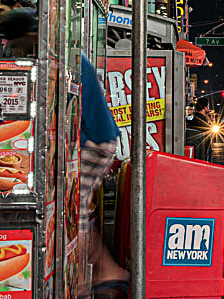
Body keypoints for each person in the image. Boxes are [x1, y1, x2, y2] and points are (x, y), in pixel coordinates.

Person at [79, 54, 127, 298]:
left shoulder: (64, 59)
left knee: (72, 215)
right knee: (78, 214)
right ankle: (104, 271)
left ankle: (81, 281)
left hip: (95, 140)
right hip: (97, 138)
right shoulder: (74, 59)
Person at [186, 96, 215, 163]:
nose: (208, 108)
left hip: (200, 151)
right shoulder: (201, 119)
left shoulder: (196, 117)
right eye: (208, 106)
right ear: (205, 107)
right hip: (201, 152)